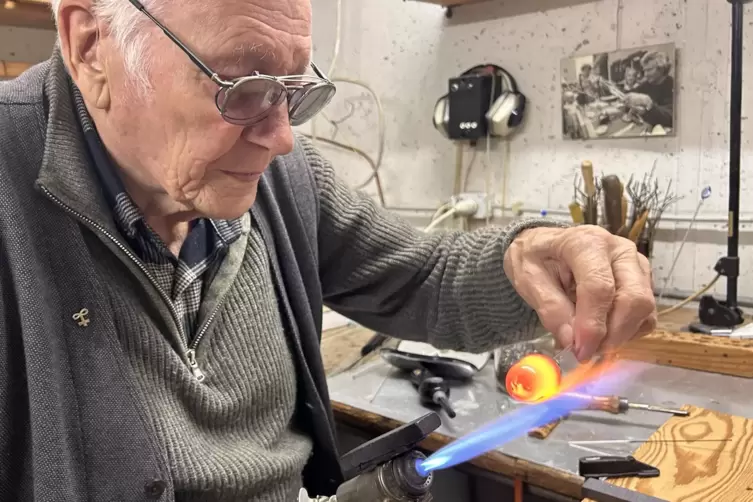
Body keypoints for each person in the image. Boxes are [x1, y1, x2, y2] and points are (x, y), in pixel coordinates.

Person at [0, 0, 656, 500]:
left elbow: (418, 277)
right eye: (242, 88)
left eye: (292, 91)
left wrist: (528, 256)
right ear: (91, 47)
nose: (281, 138)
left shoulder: (283, 180)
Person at [623, 51, 675, 128]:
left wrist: (648, 103)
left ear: (661, 69)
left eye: (649, 70)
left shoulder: (673, 86)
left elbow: (671, 118)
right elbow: (629, 97)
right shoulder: (646, 84)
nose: (645, 75)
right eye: (644, 70)